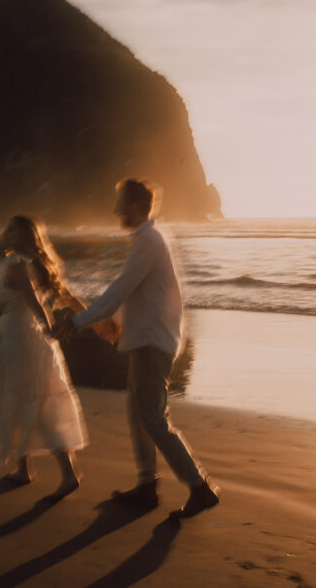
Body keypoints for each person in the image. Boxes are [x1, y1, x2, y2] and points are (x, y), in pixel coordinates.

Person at [54, 178, 220, 518]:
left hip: (152, 341)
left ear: (132, 206)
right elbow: (135, 291)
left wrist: (77, 321)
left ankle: (199, 487)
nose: (115, 210)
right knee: (140, 415)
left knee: (153, 418)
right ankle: (147, 485)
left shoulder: (150, 240)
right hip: (148, 338)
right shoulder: (152, 239)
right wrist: (115, 321)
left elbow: (121, 287)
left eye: (119, 203)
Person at [0, 214, 106, 501]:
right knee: (31, 398)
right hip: (30, 338)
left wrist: (51, 328)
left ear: (21, 236)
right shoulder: (39, 266)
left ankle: (66, 474)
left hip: (21, 337)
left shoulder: (15, 263)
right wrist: (97, 322)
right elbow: (70, 299)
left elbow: (34, 302)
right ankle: (26, 469)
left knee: (29, 399)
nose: (4, 232)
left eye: (10, 229)